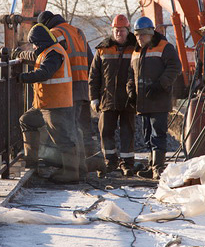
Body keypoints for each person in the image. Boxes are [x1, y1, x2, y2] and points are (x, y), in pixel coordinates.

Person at [17, 23, 83, 183]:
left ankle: (72, 173)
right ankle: (31, 162)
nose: (33, 47)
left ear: (39, 42)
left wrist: (23, 78)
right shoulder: (47, 51)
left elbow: (45, 72)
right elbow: (34, 58)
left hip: (56, 104)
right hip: (45, 104)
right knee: (26, 121)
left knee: (62, 138)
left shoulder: (54, 53)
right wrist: (17, 54)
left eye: (33, 43)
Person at [37, 11, 98, 159]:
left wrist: (20, 53)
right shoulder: (78, 31)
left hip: (68, 87)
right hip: (84, 85)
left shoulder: (53, 34)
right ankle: (91, 162)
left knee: (71, 129)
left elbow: (44, 57)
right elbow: (91, 60)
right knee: (83, 127)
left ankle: (76, 167)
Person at [126, 16, 181, 179]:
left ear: (151, 33)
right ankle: (152, 166)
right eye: (137, 35)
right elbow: (131, 74)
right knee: (147, 135)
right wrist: (131, 90)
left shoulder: (165, 47)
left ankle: (158, 168)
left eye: (142, 34)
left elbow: (175, 67)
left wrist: (161, 84)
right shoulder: (136, 51)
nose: (139, 38)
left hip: (159, 101)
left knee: (158, 134)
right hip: (143, 102)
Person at [89, 14, 137, 175]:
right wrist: (94, 98)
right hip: (107, 99)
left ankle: (127, 164)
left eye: (122, 30)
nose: (119, 33)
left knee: (127, 131)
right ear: (112, 30)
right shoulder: (102, 49)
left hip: (129, 100)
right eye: (116, 30)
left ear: (127, 30)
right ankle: (110, 162)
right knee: (105, 131)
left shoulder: (136, 48)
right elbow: (94, 76)